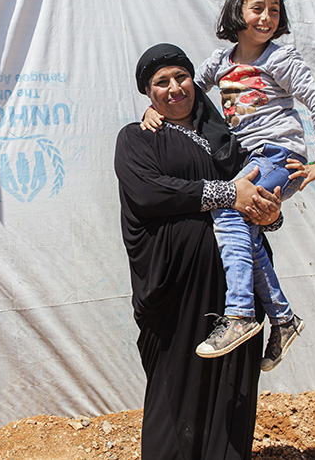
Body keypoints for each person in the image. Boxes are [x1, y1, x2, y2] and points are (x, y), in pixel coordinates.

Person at [142, 0, 315, 370]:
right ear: (237, 12)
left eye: (274, 10)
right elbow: (186, 92)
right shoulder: (221, 61)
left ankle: (242, 314)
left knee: (229, 210)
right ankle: (282, 319)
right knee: (245, 229)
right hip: (251, 157)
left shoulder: (281, 60)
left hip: (277, 154)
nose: (266, 17)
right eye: (257, 8)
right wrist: (154, 109)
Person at [115, 43, 283, 460]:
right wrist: (230, 193)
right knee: (177, 388)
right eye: (161, 82)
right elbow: (149, 192)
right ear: (148, 93)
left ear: (195, 80)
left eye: (181, 77)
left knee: (232, 393)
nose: (174, 88)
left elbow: (259, 198)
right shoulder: (137, 138)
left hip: (236, 298)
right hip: (175, 293)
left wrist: (271, 215)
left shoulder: (229, 141)